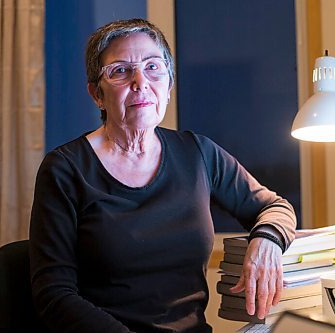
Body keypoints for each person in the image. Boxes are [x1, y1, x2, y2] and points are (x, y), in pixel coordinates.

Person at [29, 18, 297, 333]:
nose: (140, 81)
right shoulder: (65, 169)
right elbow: (54, 296)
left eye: (153, 67)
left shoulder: (198, 153)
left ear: (168, 86)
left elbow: (274, 207)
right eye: (120, 71)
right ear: (96, 95)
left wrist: (267, 241)